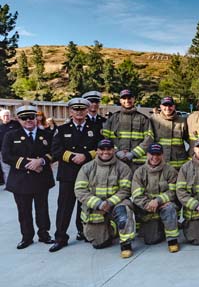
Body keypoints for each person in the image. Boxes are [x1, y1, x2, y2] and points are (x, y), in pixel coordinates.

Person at [2, 105, 55, 249]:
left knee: (42, 208)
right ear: (19, 119)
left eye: (31, 117)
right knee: (24, 211)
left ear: (36, 118)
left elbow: (54, 152)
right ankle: (27, 237)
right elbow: (6, 156)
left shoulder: (47, 135)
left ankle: (44, 234)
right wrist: (29, 164)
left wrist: (42, 161)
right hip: (21, 180)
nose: (28, 120)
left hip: (41, 178)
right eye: (24, 118)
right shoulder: (11, 135)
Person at [49, 98, 99, 252]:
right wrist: (72, 157)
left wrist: (86, 156)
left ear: (86, 111)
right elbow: (55, 150)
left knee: (84, 205)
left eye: (82, 110)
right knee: (64, 206)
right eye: (75, 110)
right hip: (68, 173)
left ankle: (82, 232)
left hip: (87, 172)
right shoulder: (62, 129)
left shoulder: (95, 128)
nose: (79, 113)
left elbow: (101, 148)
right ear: (70, 112)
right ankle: (60, 237)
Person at [74, 139, 136, 258]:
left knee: (124, 211)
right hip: (95, 207)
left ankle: (126, 244)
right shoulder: (87, 168)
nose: (105, 152)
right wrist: (99, 204)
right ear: (97, 151)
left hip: (116, 203)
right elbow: (80, 190)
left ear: (113, 150)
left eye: (109, 149)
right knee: (99, 244)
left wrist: (109, 202)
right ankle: (112, 228)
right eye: (102, 149)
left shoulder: (123, 167)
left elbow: (125, 189)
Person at [131, 143, 180, 253]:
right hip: (147, 209)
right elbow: (137, 195)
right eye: (152, 154)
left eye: (158, 154)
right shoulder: (139, 172)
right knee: (151, 240)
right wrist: (149, 204)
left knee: (170, 208)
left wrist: (158, 201)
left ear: (162, 155)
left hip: (164, 205)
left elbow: (173, 192)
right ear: (147, 154)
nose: (155, 157)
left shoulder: (170, 171)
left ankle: (172, 240)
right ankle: (160, 228)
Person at [102, 89, 154, 169]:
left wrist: (134, 153)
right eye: (124, 98)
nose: (127, 100)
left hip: (137, 164)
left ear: (134, 99)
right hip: (116, 162)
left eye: (129, 98)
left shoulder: (143, 118)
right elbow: (105, 137)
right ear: (120, 100)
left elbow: (149, 138)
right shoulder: (112, 118)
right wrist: (116, 152)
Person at [150, 96, 189, 169]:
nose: (168, 108)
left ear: (174, 107)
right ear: (161, 106)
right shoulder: (154, 119)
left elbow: (189, 140)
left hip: (178, 164)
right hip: (159, 162)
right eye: (165, 105)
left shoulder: (182, 121)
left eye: (170, 105)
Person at [0, 108, 21, 185]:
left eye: (8, 115)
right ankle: (9, 185)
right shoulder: (0, 127)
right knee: (5, 168)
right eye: (4, 116)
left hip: (16, 150)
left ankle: (19, 183)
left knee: (17, 166)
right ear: (1, 117)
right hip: (3, 151)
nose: (6, 117)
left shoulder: (16, 124)